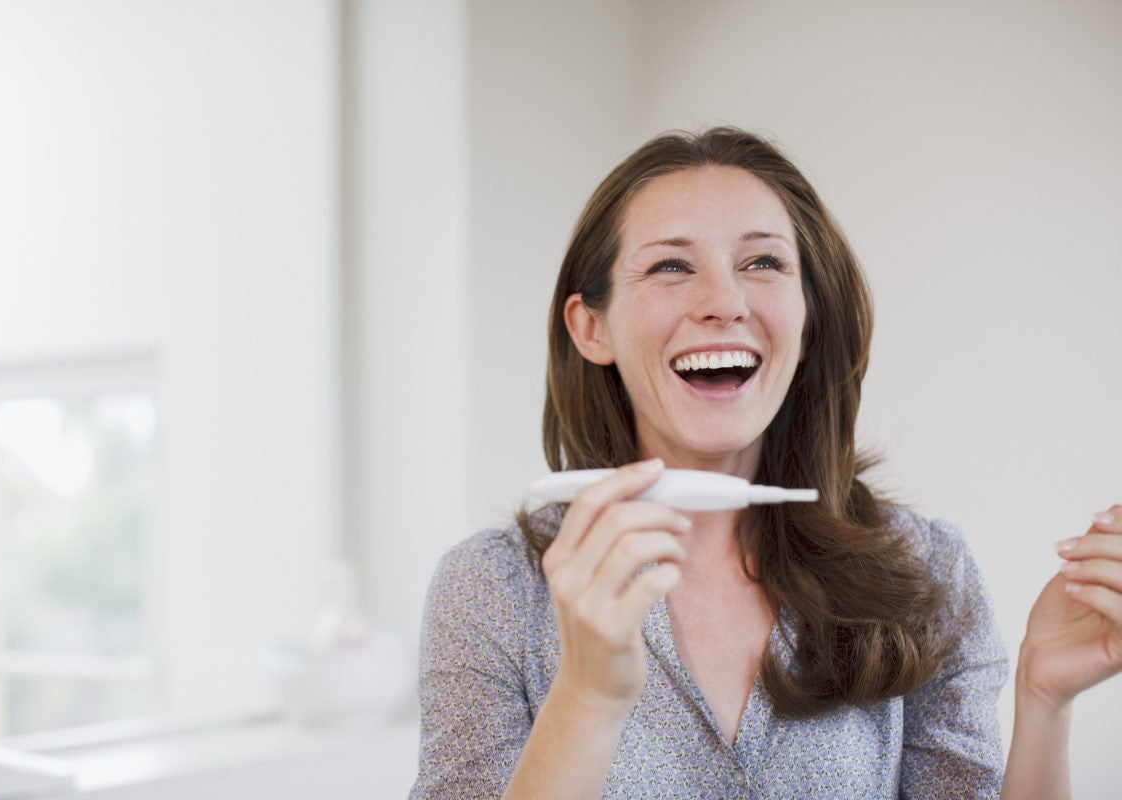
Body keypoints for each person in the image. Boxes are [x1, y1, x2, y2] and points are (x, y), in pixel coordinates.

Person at [409, 127, 1122, 799]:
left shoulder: (926, 570)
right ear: (592, 327)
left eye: (762, 263)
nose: (724, 302)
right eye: (670, 266)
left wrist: (1042, 699)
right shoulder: (492, 591)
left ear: (808, 317)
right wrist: (587, 698)